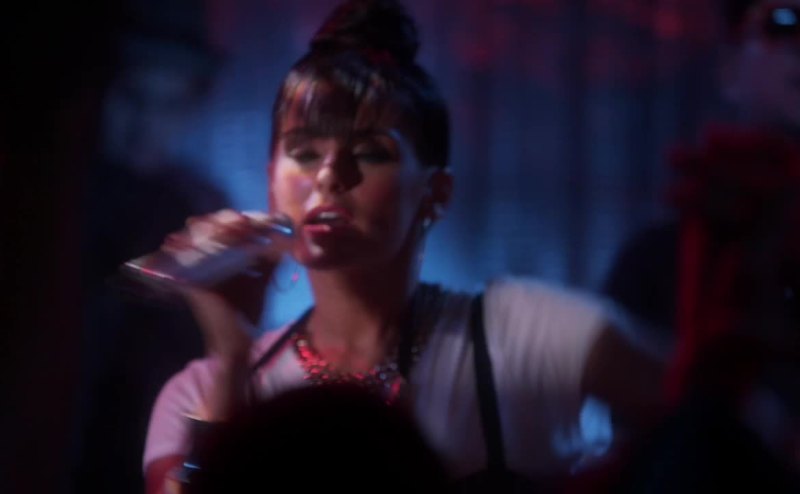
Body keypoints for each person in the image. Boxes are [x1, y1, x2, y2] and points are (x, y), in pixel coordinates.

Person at [143, 1, 665, 492]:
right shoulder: (201, 391)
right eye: (304, 153)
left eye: (370, 153)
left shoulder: (530, 338)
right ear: (270, 181)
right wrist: (232, 360)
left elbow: (703, 421)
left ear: (436, 194)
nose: (329, 177)